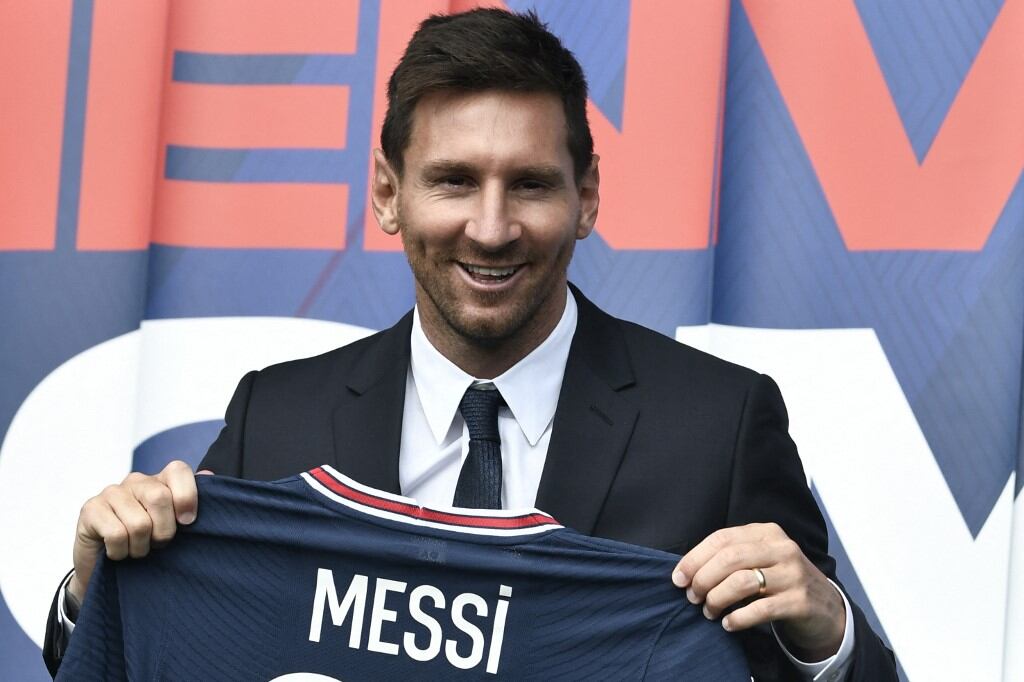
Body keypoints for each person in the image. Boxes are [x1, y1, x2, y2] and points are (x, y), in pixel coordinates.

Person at [44, 8, 897, 680]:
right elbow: (163, 650)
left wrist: (826, 633)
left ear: (587, 196)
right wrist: (95, 588)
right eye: (454, 181)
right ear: (388, 194)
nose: (491, 229)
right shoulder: (277, 415)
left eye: (529, 184)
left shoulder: (720, 423)